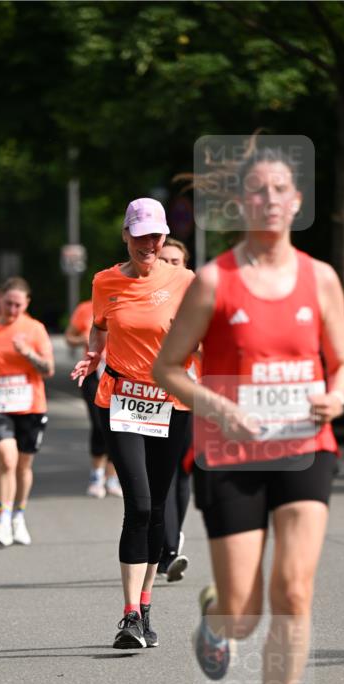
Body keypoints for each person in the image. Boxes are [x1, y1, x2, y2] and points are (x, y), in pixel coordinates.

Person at [153, 150, 344, 684]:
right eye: (257, 190)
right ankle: (217, 621)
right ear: (240, 204)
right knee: (244, 613)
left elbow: (342, 364)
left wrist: (337, 397)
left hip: (302, 449)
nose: (269, 199)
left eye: (281, 188)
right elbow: (166, 368)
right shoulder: (214, 280)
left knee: (295, 590)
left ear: (297, 202)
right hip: (230, 453)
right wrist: (218, 404)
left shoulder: (319, 278)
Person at [71, 198, 195, 649]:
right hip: (121, 399)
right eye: (141, 235)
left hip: (171, 402)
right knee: (138, 505)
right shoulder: (105, 281)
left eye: (156, 235)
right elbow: (101, 327)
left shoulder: (184, 281)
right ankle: (127, 616)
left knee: (158, 505)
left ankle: (145, 607)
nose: (150, 243)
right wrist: (94, 354)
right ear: (126, 235)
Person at [0, 276, 54, 546]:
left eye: (19, 305)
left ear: (27, 303)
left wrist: (27, 352)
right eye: (8, 303)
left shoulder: (35, 329)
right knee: (6, 459)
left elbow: (48, 369)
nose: (13, 310)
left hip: (30, 404)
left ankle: (19, 515)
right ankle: (3, 520)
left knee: (23, 464)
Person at [156, 238, 197, 582]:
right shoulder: (147, 295)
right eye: (163, 259)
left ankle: (172, 540)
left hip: (192, 396)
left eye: (176, 261)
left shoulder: (199, 297)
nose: (169, 265)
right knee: (162, 475)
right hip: (151, 398)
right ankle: (168, 549)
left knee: (182, 473)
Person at [64, 299, 122, 499]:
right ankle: (97, 476)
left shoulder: (126, 304)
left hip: (120, 372)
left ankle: (112, 477)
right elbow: (69, 337)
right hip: (93, 372)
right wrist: (82, 340)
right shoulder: (84, 309)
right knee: (99, 424)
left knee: (118, 423)